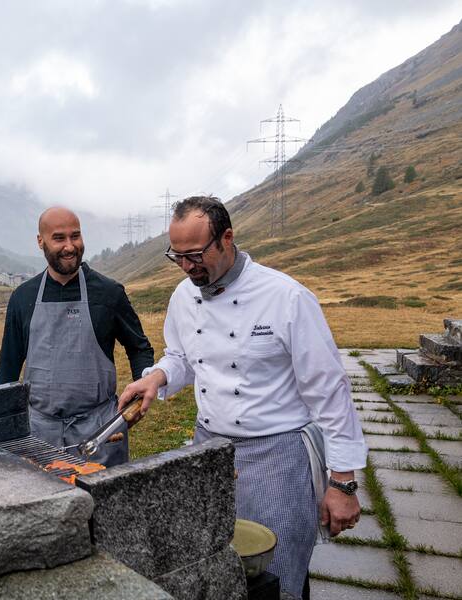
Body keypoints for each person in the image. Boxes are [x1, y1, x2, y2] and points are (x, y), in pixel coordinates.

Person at [118, 196, 366, 599]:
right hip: (210, 452)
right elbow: (183, 355)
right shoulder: (184, 296)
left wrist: (343, 483)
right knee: (213, 567)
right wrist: (159, 376)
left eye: (195, 254)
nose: (186, 267)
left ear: (227, 238)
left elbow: (330, 393)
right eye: (176, 256)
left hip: (278, 456)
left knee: (278, 576)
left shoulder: (286, 297)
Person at [0, 206, 155, 466]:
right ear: (40, 241)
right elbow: (8, 368)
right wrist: (2, 425)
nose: (70, 246)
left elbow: (139, 348)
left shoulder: (109, 293)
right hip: (38, 433)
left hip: (100, 432)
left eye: (76, 236)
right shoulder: (22, 298)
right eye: (59, 238)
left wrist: (139, 394)